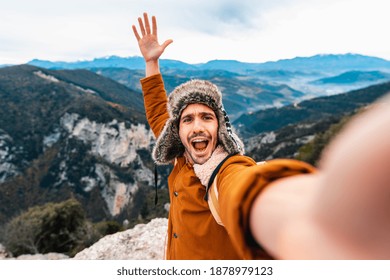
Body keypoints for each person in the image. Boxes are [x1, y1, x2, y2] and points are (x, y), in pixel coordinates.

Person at [132, 13, 390, 260]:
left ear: (220, 126)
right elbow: (158, 113)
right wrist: (151, 63)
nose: (197, 127)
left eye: (206, 117)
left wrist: (308, 220)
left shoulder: (224, 170)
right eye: (187, 119)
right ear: (177, 130)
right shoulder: (181, 154)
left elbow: (246, 188)